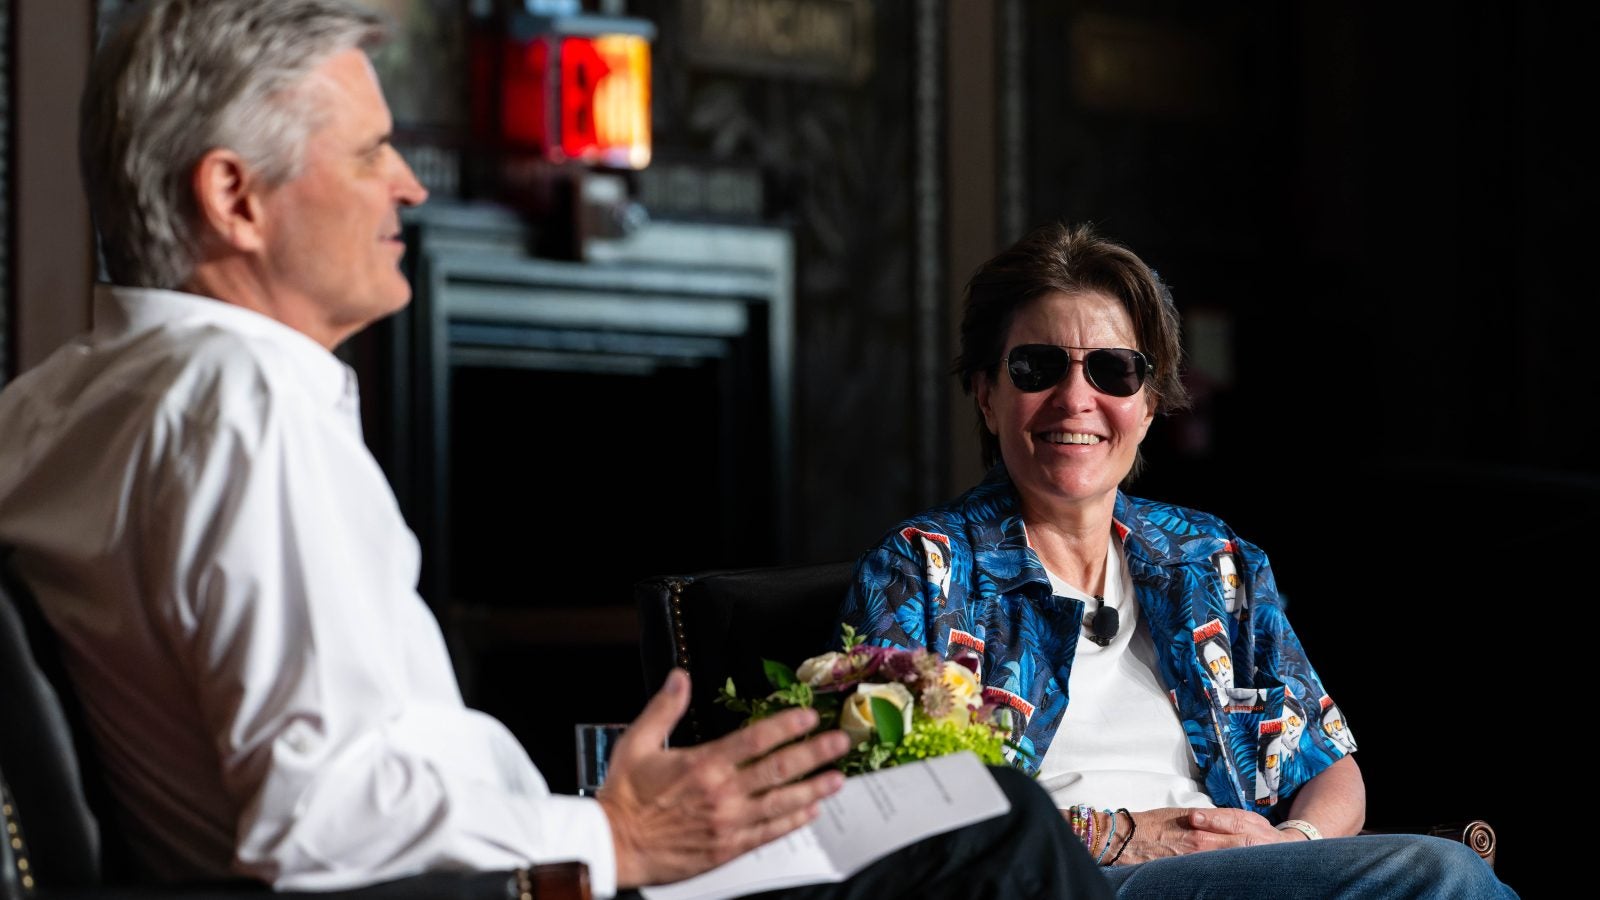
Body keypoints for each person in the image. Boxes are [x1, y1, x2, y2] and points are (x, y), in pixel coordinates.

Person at [0, 2, 1109, 897]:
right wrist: (613, 836)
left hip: (496, 866)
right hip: (500, 884)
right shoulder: (245, 398)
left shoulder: (48, 405)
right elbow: (320, 816)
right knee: (991, 823)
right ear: (234, 197)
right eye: (373, 149)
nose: (410, 183)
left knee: (957, 808)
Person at [836, 222, 1517, 898]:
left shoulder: (1211, 560)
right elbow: (895, 812)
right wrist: (1126, 834)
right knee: (1443, 874)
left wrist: (1292, 847)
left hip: (1236, 875)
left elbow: (1329, 767)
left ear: (1151, 401)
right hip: (1061, 885)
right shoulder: (924, 568)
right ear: (987, 395)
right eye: (1037, 368)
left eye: (1113, 370)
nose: (1076, 398)